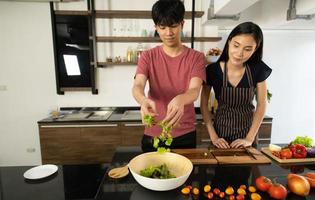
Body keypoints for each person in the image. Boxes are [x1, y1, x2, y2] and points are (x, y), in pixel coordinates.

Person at [132, 0, 206, 152]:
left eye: (173, 26)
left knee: (185, 175)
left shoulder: (196, 57)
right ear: (156, 28)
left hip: (185, 133)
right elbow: (138, 86)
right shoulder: (147, 56)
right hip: (153, 132)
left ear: (182, 24)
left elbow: (194, 91)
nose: (168, 33)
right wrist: (143, 100)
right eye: (162, 27)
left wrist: (180, 99)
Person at [200, 22, 272, 149]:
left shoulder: (258, 69)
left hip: (247, 135)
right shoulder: (212, 70)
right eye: (236, 45)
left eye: (248, 49)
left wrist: (249, 138)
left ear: (255, 49)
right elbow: (204, 105)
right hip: (220, 136)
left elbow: (261, 104)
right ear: (229, 42)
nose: (239, 53)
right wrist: (214, 136)